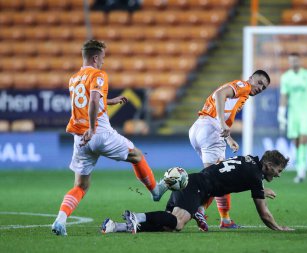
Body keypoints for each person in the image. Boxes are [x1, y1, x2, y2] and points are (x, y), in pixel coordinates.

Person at [51, 40, 167, 236]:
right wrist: (93, 128)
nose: (103, 62)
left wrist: (111, 101)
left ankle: (60, 220)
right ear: (95, 58)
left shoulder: (74, 78)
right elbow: (94, 100)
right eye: (103, 57)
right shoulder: (99, 75)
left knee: (80, 186)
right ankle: (155, 191)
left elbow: (89, 100)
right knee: (137, 156)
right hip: (99, 133)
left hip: (80, 140)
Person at [101, 150, 294, 234]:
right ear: (268, 165)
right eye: (278, 170)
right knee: (177, 224)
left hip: (196, 183)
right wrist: (278, 227)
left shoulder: (251, 161)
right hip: (197, 187)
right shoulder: (254, 175)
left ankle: (116, 226)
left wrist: (260, 187)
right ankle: (137, 216)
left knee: (168, 225)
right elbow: (263, 213)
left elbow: (239, 176)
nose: (278, 174)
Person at [188, 70, 271, 230]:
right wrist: (223, 123)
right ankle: (198, 210)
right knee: (215, 178)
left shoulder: (243, 93)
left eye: (264, 88)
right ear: (251, 78)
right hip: (210, 129)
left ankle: (224, 219)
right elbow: (220, 94)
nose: (260, 88)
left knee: (220, 174)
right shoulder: (243, 86)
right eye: (259, 83)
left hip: (199, 128)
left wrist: (229, 139)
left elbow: (219, 108)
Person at [277, 52, 307, 184]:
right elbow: (284, 96)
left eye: (295, 60)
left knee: (304, 138)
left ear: (300, 61)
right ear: (289, 62)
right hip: (293, 113)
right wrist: (281, 112)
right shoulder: (286, 77)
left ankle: (301, 170)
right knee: (296, 141)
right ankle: (300, 168)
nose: (294, 63)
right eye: (291, 61)